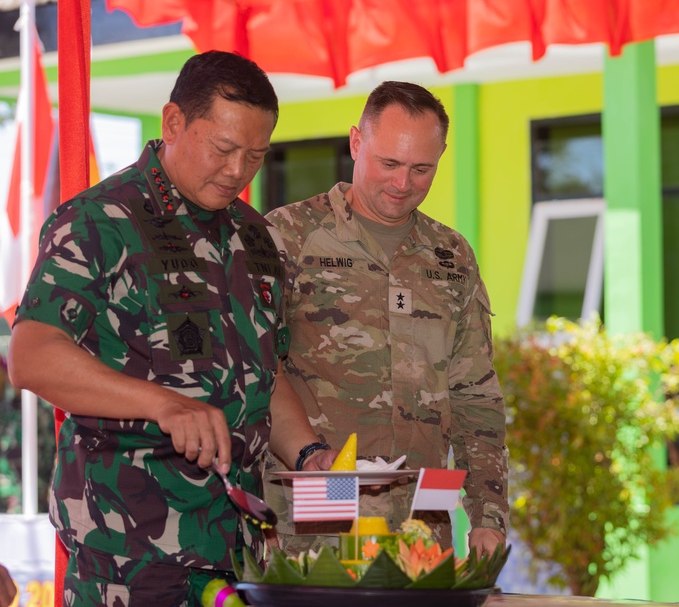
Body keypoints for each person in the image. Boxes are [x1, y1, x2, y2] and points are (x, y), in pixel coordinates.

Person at [7, 50, 335, 605]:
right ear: (173, 123)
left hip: (238, 552)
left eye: (256, 155)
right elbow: (32, 355)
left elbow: (264, 372)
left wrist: (308, 454)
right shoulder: (99, 221)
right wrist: (163, 404)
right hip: (130, 558)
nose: (238, 171)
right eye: (224, 149)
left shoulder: (255, 237)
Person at [263, 80, 508, 557]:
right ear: (357, 142)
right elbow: (254, 371)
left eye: (422, 169)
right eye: (389, 164)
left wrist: (488, 516)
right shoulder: (288, 236)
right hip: (321, 506)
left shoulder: (451, 255)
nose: (402, 184)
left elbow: (475, 395)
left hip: (424, 514)